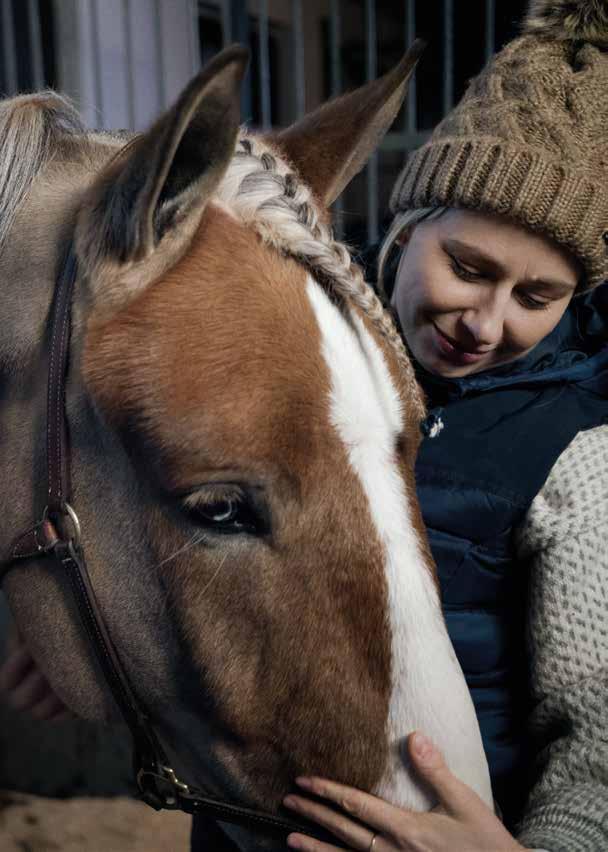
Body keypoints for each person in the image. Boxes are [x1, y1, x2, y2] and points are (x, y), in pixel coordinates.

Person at [279, 1, 608, 850]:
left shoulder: (578, 446)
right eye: (469, 268)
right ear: (408, 221)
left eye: (538, 298)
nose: (488, 323)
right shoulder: (293, 345)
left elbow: (598, 743)